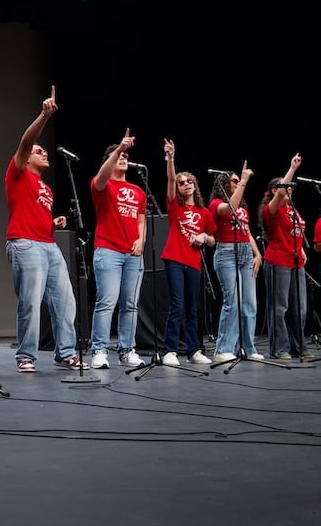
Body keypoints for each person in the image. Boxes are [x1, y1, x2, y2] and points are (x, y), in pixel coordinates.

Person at [4, 87, 85, 373]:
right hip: (25, 244)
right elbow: (26, 141)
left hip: (49, 245)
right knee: (31, 302)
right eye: (39, 151)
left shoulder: (45, 188)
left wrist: (53, 223)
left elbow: (33, 214)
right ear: (27, 158)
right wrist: (44, 115)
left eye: (44, 150)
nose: (43, 152)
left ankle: (65, 352)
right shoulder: (18, 172)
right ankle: (26, 355)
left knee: (65, 301)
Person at [89, 130, 146, 371]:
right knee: (107, 302)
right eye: (119, 155)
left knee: (130, 304)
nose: (123, 158)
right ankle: (99, 350)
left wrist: (141, 240)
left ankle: (127, 350)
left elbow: (141, 219)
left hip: (133, 253)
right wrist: (118, 149)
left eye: (126, 155)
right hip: (108, 251)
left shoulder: (138, 191)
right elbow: (101, 176)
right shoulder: (102, 183)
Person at [158, 140, 216, 367]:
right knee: (177, 306)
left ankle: (194, 350)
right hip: (174, 260)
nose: (185, 184)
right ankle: (170, 350)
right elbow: (170, 179)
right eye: (182, 183)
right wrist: (171, 158)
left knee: (193, 308)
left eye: (189, 181)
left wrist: (203, 237)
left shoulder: (203, 212)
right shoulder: (175, 207)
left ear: (195, 185)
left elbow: (212, 240)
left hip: (194, 263)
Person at [208, 164, 264, 364]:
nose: (238, 182)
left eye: (238, 180)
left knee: (250, 303)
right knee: (233, 302)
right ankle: (223, 348)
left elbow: (247, 232)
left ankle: (248, 347)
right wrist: (244, 181)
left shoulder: (243, 208)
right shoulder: (215, 203)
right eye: (234, 180)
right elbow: (228, 208)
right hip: (226, 253)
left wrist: (257, 254)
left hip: (245, 253)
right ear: (223, 183)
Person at [259, 154, 312, 360]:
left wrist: (302, 250)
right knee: (280, 308)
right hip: (278, 261)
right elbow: (282, 191)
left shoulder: (293, 210)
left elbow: (297, 233)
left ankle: (299, 346)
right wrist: (292, 168)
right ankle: (279, 348)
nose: (291, 190)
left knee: (300, 308)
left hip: (296, 261)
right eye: (288, 187)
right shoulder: (271, 209)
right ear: (276, 190)